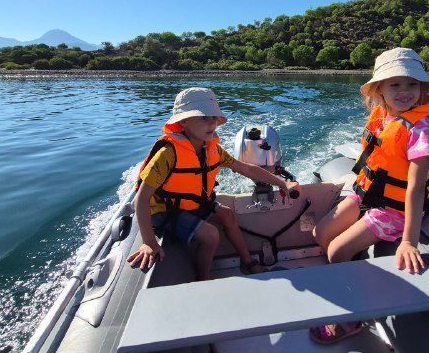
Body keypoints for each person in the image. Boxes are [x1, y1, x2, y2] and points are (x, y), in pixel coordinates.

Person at [310, 48, 429, 344]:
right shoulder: (384, 118)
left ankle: (353, 317)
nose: (405, 92)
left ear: (422, 87)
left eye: (412, 84)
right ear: (380, 90)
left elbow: (414, 190)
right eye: (395, 84)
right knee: (320, 232)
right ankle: (356, 267)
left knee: (337, 251)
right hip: (369, 194)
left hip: (396, 209)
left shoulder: (422, 130)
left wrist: (408, 242)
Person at [127, 87, 300, 281]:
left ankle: (247, 262)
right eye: (203, 118)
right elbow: (141, 199)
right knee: (211, 235)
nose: (212, 123)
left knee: (226, 214)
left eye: (214, 118)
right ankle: (204, 279)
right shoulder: (167, 153)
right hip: (165, 211)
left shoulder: (212, 149)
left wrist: (282, 184)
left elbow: (247, 169)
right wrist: (149, 242)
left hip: (193, 204)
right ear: (183, 122)